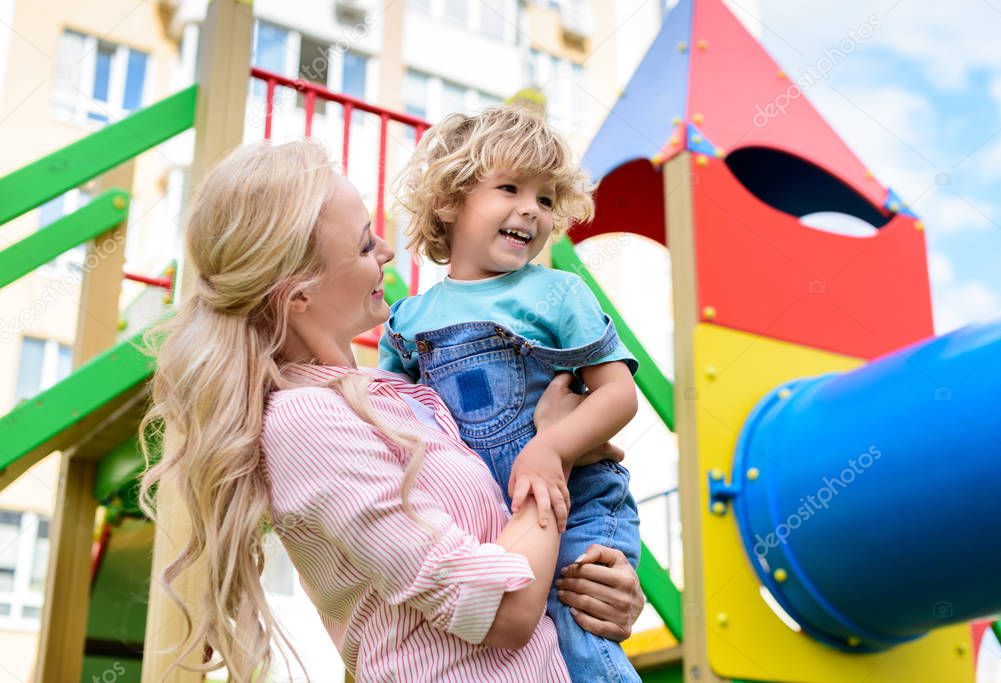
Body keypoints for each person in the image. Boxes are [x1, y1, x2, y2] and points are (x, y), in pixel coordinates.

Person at [138, 139, 645, 682]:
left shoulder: (397, 396)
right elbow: (502, 607)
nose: (385, 249)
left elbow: (510, 556)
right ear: (298, 295)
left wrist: (597, 589)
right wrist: (552, 453)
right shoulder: (305, 423)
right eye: (362, 246)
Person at [380, 106, 642, 681]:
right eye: (509, 188)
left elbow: (618, 394)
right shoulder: (408, 320)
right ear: (450, 201)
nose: (531, 208)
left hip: (574, 502)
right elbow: (393, 421)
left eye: (546, 199)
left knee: (580, 636)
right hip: (487, 518)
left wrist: (554, 446)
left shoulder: (556, 293)